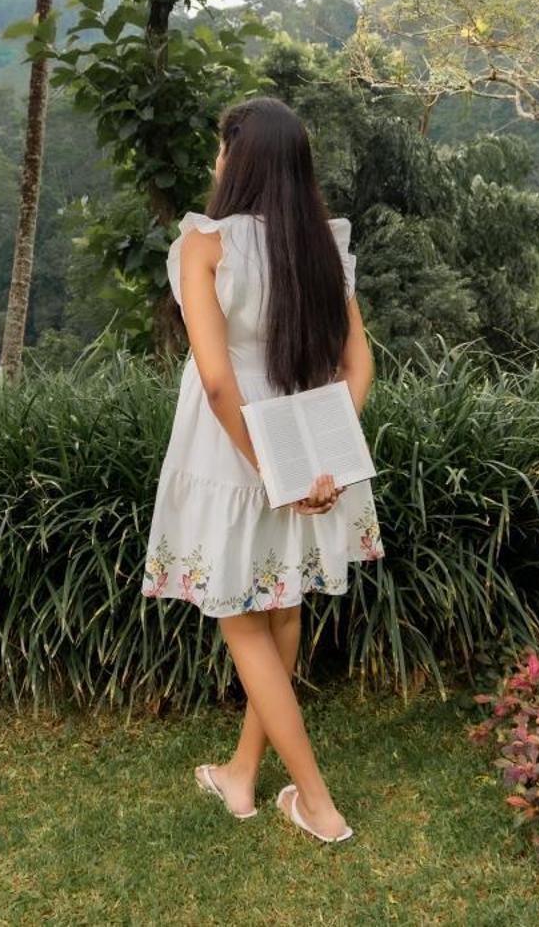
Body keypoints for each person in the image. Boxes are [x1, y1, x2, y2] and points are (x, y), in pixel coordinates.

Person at [140, 96, 382, 845]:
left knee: (241, 617)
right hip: (306, 452)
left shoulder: (203, 244)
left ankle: (317, 800)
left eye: (222, 147)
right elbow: (358, 363)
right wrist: (324, 463)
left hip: (232, 448)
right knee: (280, 607)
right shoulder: (320, 245)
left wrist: (272, 467)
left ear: (235, 158)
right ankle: (243, 775)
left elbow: (217, 381)